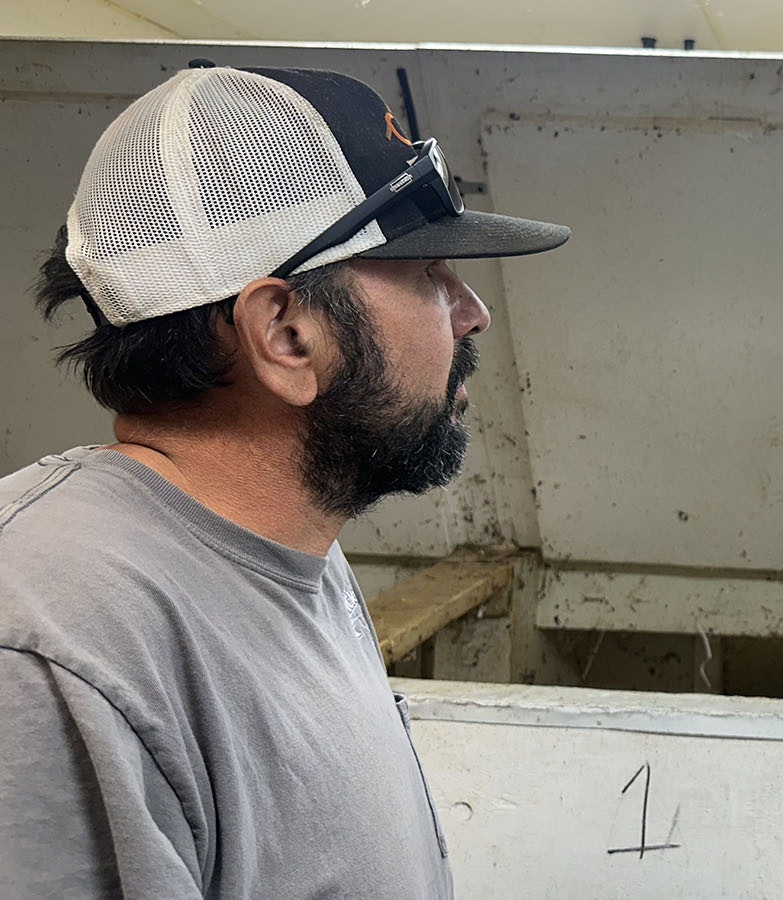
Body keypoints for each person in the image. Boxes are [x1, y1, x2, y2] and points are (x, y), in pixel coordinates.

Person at [0, 62, 569, 898]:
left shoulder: (289, 549)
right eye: (427, 274)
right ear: (287, 335)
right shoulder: (52, 652)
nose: (471, 310)